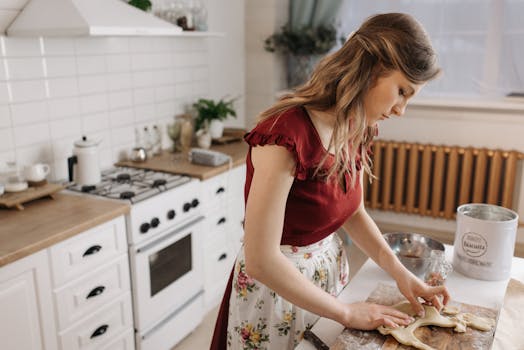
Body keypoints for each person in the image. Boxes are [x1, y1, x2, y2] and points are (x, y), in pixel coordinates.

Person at [211, 12, 450, 350]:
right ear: (373, 66)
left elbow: (354, 213)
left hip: (325, 284)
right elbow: (261, 259)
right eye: (401, 91)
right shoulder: (285, 135)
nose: (401, 110)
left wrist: (402, 275)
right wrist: (346, 314)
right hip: (277, 296)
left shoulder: (358, 126)